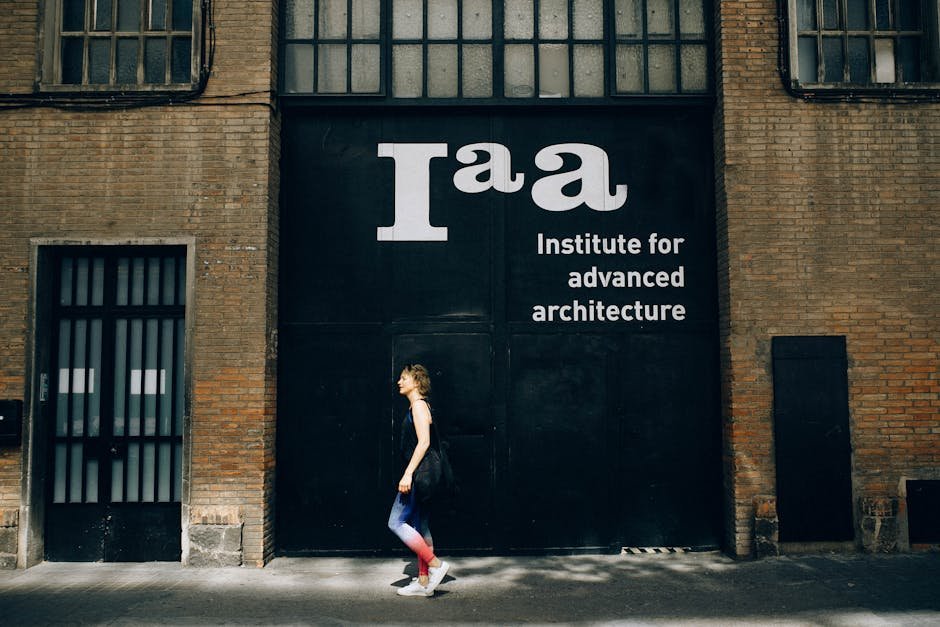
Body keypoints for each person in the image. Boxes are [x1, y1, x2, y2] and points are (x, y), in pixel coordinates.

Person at [387, 364, 451, 597]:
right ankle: (424, 582)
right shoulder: (420, 406)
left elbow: (424, 442)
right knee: (420, 525)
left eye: (404, 378)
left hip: (418, 474)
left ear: (416, 381)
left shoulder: (419, 406)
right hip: (423, 473)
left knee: (396, 523)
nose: (399, 382)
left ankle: (436, 566)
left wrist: (407, 473)